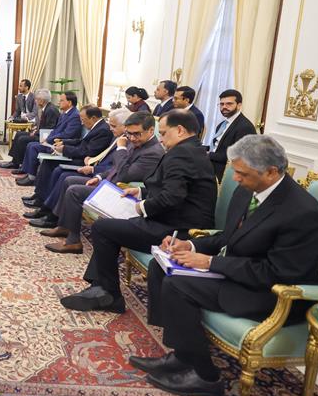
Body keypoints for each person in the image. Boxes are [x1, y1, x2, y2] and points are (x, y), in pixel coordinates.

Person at [131, 135, 318, 396]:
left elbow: (278, 273)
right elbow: (229, 237)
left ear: (271, 172)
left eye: (241, 173)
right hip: (242, 273)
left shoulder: (302, 212)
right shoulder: (249, 189)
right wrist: (189, 246)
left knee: (178, 284)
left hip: (274, 293)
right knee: (161, 266)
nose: (235, 179)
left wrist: (212, 263)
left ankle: (205, 376)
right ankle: (181, 355)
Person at [60, 109, 216, 313]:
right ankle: (99, 287)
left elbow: (172, 197)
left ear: (179, 130)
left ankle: (109, 295)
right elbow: (177, 189)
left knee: (103, 228)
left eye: (163, 132)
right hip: (174, 219)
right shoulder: (191, 150)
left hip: (178, 230)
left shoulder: (183, 154)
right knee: (107, 226)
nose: (160, 138)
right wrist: (142, 191)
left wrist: (141, 207)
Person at [39, 111, 164, 251]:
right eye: (130, 133)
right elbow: (116, 167)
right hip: (110, 183)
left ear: (151, 130)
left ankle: (73, 241)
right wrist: (99, 177)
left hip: (122, 192)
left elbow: (124, 175)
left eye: (137, 134)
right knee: (69, 180)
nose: (133, 138)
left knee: (74, 191)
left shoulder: (153, 152)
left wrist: (121, 148)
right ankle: (64, 226)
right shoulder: (137, 142)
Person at [19, 106, 112, 201]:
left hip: (84, 161)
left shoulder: (103, 130)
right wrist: (64, 142)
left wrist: (64, 149)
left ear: (93, 118)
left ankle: (42, 199)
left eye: (83, 120)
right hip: (80, 156)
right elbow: (81, 141)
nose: (82, 123)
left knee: (51, 164)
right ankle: (39, 195)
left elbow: (87, 151)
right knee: (48, 162)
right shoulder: (97, 127)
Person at [16, 91, 82, 181]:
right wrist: (47, 139)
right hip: (54, 141)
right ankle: (28, 173)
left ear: (69, 102)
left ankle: (32, 177)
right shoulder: (64, 113)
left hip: (62, 145)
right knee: (31, 145)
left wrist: (49, 140)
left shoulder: (75, 116)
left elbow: (67, 134)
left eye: (61, 100)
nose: (59, 102)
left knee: (33, 146)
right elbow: (55, 129)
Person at [0, 89, 58, 169]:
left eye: (36, 99)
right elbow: (44, 125)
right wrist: (36, 129)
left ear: (41, 100)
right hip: (41, 133)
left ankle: (21, 165)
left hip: (45, 138)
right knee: (19, 134)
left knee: (22, 139)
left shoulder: (50, 110)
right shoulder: (47, 108)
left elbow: (49, 128)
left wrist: (36, 133)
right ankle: (15, 162)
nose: (36, 101)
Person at [207, 89, 255, 181]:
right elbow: (217, 147)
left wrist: (208, 155)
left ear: (239, 105)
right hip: (210, 165)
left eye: (229, 104)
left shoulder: (244, 127)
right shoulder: (222, 124)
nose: (224, 107)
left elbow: (236, 157)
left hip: (224, 172)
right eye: (221, 104)